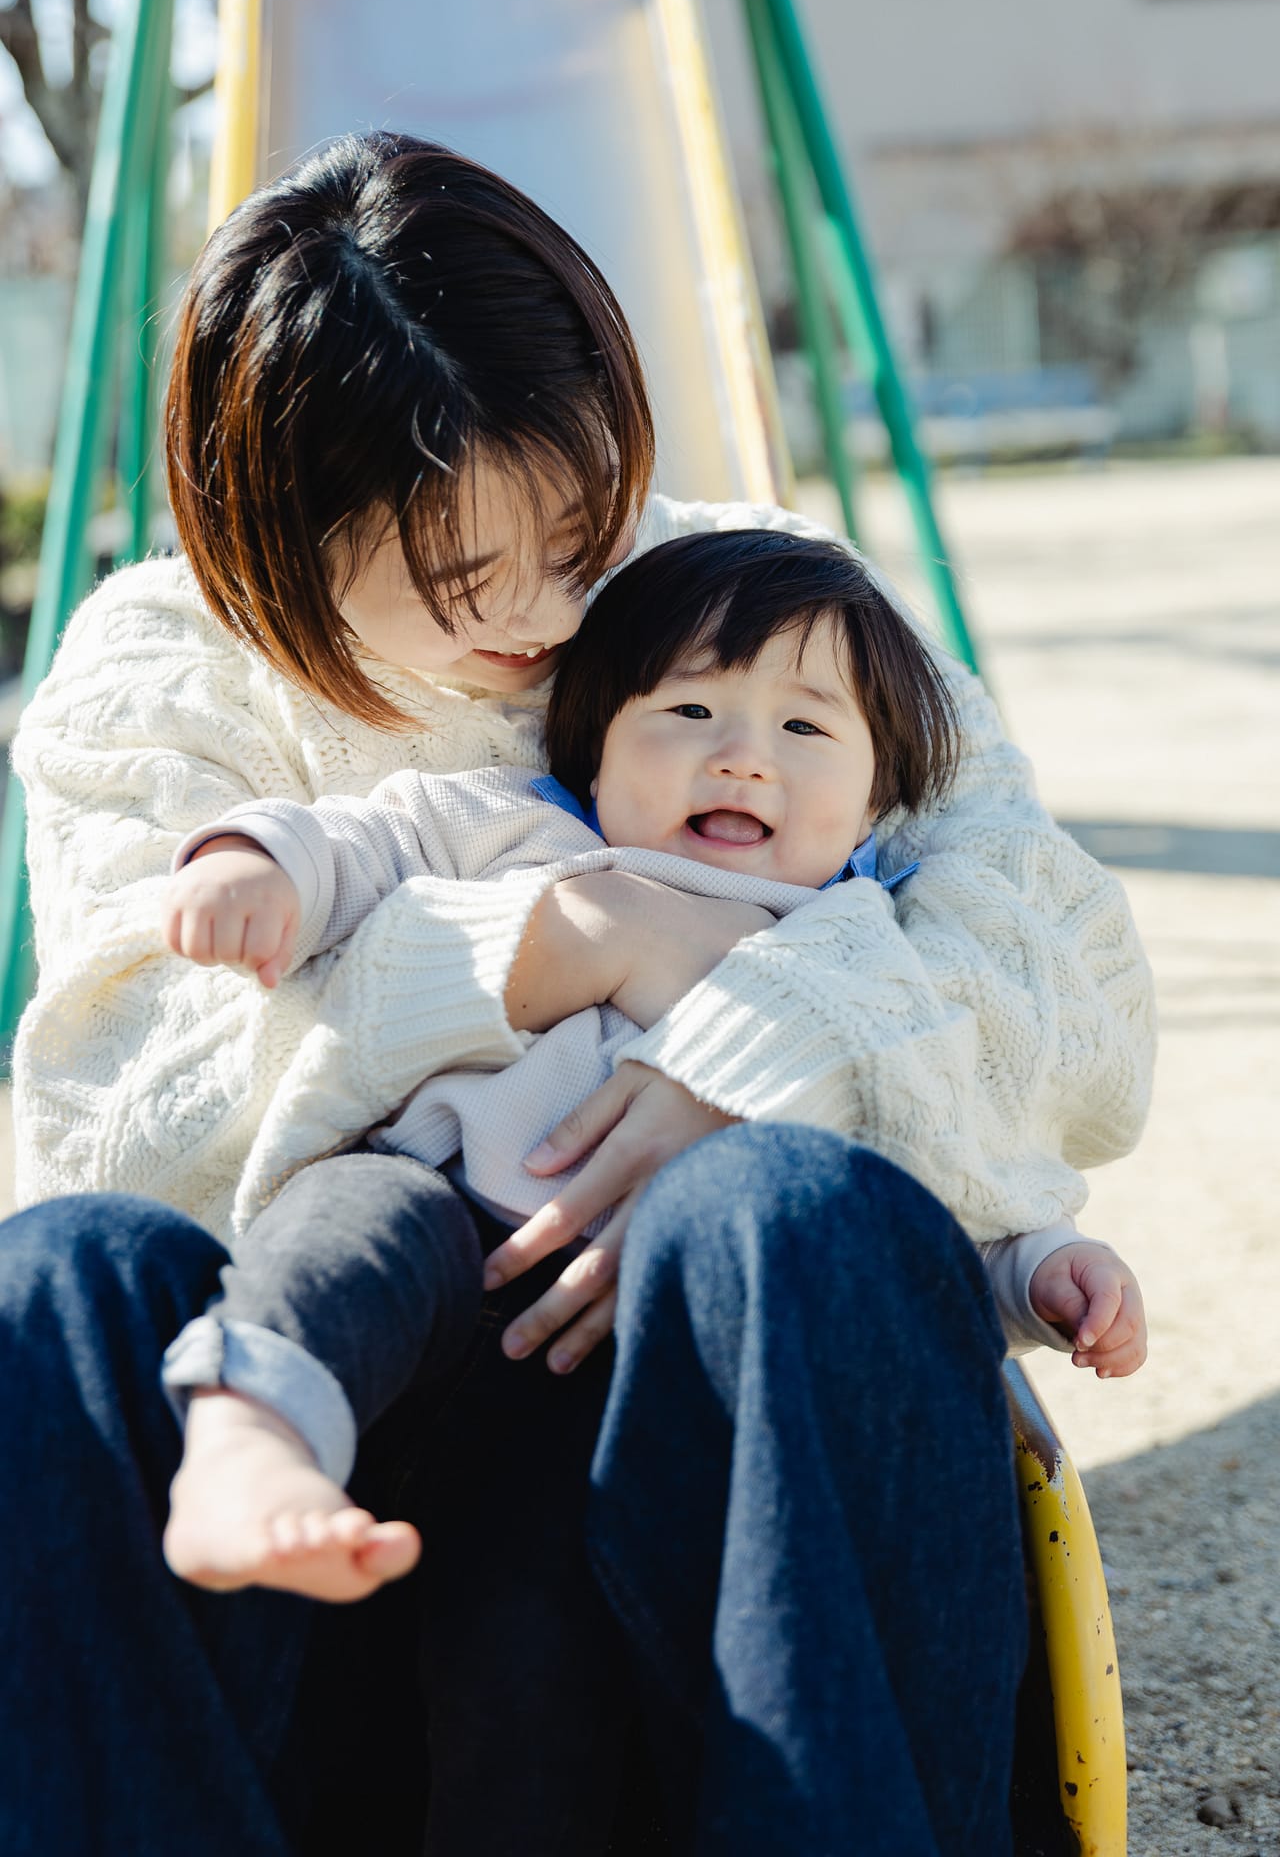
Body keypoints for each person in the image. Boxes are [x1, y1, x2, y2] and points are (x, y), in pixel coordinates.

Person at [0, 131, 1156, 1857]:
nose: (554, 605)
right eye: (467, 575)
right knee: (58, 1280)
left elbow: (1073, 1011)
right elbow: (123, 1106)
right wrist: (566, 944)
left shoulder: (763, 609)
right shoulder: (160, 672)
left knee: (787, 1208)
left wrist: (743, 1046)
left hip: (711, 1449)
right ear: (276, 531)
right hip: (350, 1435)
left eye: (579, 515)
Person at [157, 527, 1148, 1604]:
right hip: (445, 1230)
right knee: (345, 1218)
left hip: (660, 1325)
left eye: (805, 725)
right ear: (589, 748)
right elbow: (358, 843)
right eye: (686, 711)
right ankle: (247, 1437)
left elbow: (930, 1153)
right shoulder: (520, 828)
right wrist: (252, 864)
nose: (740, 755)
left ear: (873, 806)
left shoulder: (869, 950)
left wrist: (1035, 1267)